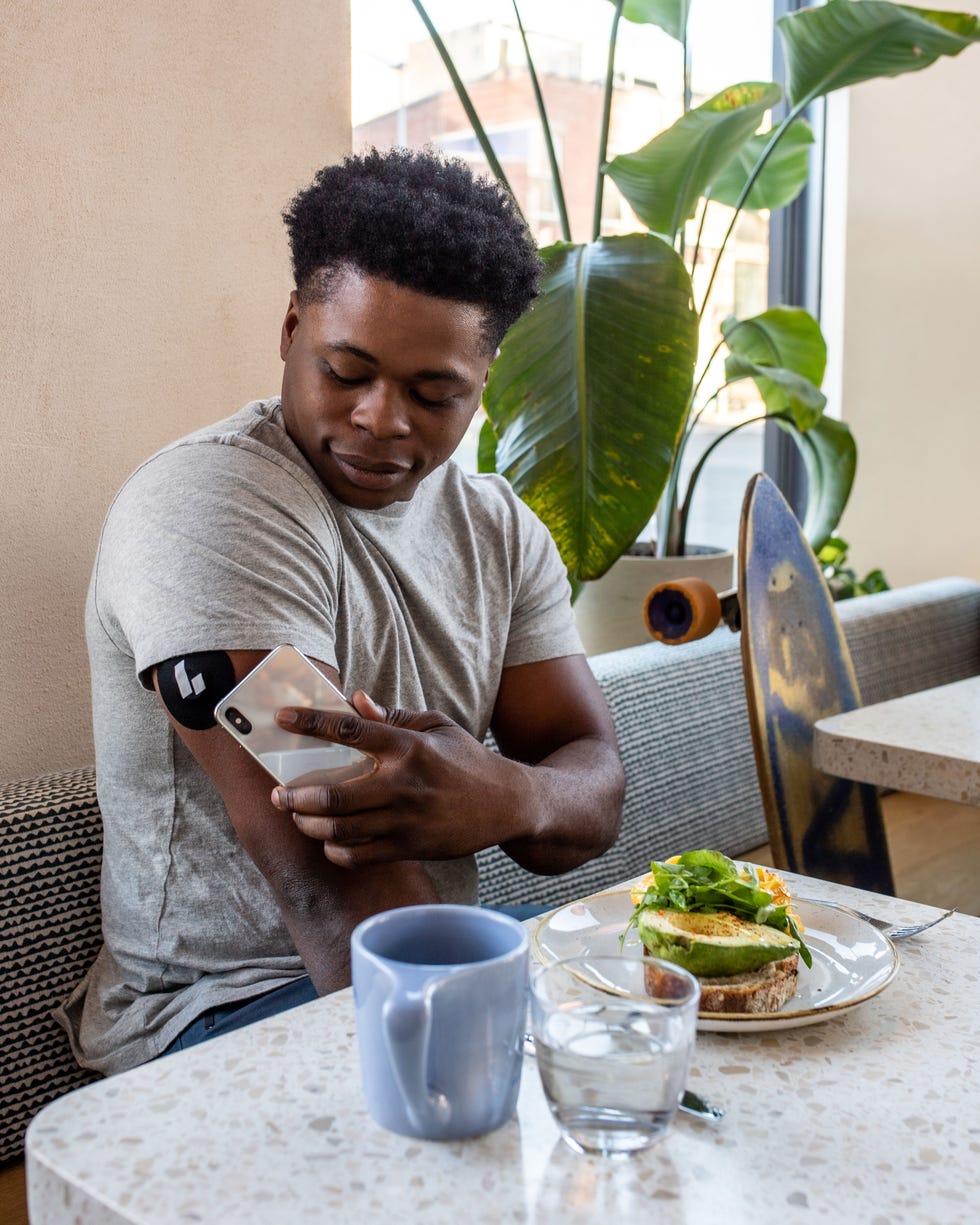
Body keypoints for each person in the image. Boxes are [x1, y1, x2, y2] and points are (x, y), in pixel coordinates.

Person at [58, 148, 624, 1075]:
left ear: (484, 377)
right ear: (290, 329)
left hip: (452, 944)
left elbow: (593, 782)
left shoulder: (501, 529)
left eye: (434, 393)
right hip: (226, 1007)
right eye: (346, 369)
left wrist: (508, 793)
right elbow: (331, 878)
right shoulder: (209, 507)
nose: (381, 418)